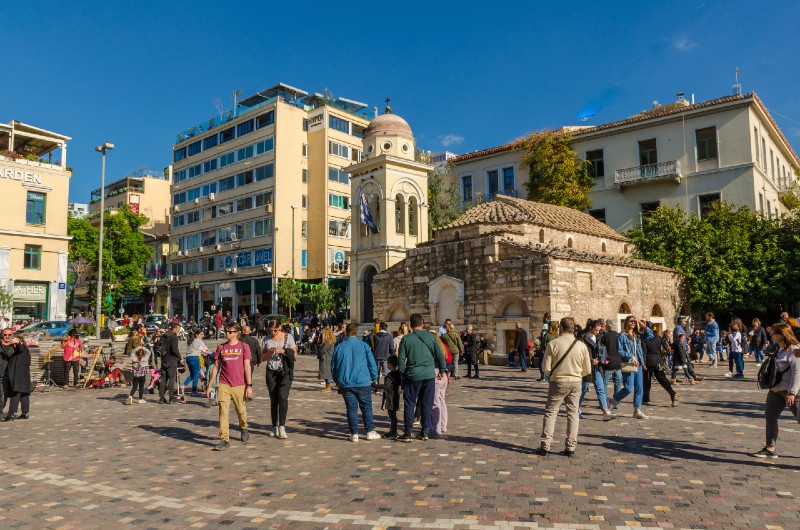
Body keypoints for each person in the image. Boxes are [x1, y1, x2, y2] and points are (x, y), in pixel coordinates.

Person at [537, 317, 591, 457]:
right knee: (573, 414)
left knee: (551, 412)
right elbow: (587, 370)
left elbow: (545, 368)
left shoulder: (553, 343)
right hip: (575, 382)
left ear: (561, 328)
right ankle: (570, 447)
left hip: (558, 381)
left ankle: (545, 445)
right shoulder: (581, 346)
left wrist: (553, 374)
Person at [397, 313, 448, 442]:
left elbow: (401, 359)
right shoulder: (431, 337)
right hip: (429, 375)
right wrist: (442, 370)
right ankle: (424, 431)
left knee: (409, 404)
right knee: (427, 404)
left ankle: (407, 433)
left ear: (410, 325)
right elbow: (440, 355)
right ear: (422, 324)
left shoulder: (406, 339)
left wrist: (403, 373)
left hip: (412, 375)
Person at [752, 322, 800, 459]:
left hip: (792, 392)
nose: (771, 335)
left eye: (775, 333)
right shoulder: (780, 348)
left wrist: (792, 392)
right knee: (770, 417)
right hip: (775, 391)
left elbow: (798, 373)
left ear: (783, 334)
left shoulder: (794, 350)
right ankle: (770, 448)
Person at [206, 323, 252, 451]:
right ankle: (224, 439)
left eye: (230, 331)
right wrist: (210, 386)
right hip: (224, 383)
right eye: (226, 331)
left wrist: (249, 385)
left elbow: (247, 367)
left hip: (240, 384)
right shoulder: (221, 347)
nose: (227, 333)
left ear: (236, 333)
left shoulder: (244, 347)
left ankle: (243, 427)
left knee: (241, 411)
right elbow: (216, 367)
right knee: (223, 412)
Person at [331, 323, 381, 442]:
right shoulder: (363, 345)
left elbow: (333, 366)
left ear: (346, 332)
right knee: (366, 407)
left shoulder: (339, 347)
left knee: (351, 408)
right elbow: (371, 363)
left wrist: (337, 380)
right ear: (357, 332)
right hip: (362, 381)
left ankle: (354, 433)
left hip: (346, 382)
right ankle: (369, 431)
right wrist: (374, 377)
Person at [608, 315, 652, 420]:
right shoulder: (622, 335)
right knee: (628, 388)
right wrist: (631, 356)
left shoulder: (638, 335)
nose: (633, 323)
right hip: (629, 364)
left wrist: (643, 325)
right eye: (631, 321)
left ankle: (637, 410)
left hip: (639, 365)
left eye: (634, 321)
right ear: (626, 322)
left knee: (639, 388)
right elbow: (620, 350)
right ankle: (612, 401)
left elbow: (650, 335)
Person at [263, 319, 296, 439]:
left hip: (285, 371)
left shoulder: (288, 337)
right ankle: (274, 426)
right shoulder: (266, 339)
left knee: (282, 397)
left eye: (275, 330)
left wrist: (283, 351)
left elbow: (295, 354)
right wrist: (269, 354)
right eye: (270, 330)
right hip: (271, 371)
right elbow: (262, 357)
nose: (273, 332)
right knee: (274, 399)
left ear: (280, 328)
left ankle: (282, 426)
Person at [642, 323, 678, 407]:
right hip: (658, 361)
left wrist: (643, 363)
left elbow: (644, 352)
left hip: (648, 362)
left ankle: (646, 398)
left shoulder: (645, 339)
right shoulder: (659, 337)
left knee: (647, 381)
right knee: (663, 379)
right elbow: (667, 347)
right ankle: (672, 394)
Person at [1, 329, 32, 421]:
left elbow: (19, 347)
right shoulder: (23, 350)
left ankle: (11, 414)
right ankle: (25, 413)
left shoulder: (21, 348)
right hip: (24, 374)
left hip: (18, 374)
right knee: (24, 394)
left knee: (15, 393)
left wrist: (17, 342)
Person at [373, 354, 402, 439]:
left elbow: (386, 386)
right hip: (395, 396)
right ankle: (393, 431)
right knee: (393, 415)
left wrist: (375, 386)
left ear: (390, 364)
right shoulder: (397, 374)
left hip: (390, 397)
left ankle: (393, 432)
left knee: (392, 415)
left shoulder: (390, 375)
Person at [430, 331, 450, 437]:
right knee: (442, 401)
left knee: (435, 402)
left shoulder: (433, 347)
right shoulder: (442, 346)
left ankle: (435, 428)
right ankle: (443, 425)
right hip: (444, 375)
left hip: (436, 373)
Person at [158, 322, 182, 404]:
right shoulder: (174, 337)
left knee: (163, 379)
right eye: (178, 329)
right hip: (172, 360)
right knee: (171, 379)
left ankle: (161, 398)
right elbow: (174, 349)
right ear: (174, 328)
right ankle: (171, 398)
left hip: (164, 359)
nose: (179, 330)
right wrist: (180, 357)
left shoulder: (164, 335)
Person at [239, 325, 261, 400]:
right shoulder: (254, 340)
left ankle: (242, 392)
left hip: (241, 360)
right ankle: (247, 393)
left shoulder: (239, 340)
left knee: (242, 377)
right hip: (251, 361)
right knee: (249, 376)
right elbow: (258, 351)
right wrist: (259, 361)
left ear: (243, 331)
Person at [183, 329, 208, 397]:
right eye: (201, 334)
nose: (202, 336)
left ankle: (183, 386)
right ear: (197, 335)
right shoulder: (199, 340)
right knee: (196, 375)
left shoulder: (191, 341)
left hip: (188, 358)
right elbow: (205, 350)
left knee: (192, 374)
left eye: (203, 334)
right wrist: (212, 354)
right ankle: (194, 391)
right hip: (195, 358)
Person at [371, 321, 395, 386]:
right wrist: (393, 355)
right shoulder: (389, 336)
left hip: (377, 356)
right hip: (386, 357)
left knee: (377, 373)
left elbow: (374, 346)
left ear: (380, 327)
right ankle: (386, 388)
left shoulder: (375, 336)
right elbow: (391, 348)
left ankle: (376, 387)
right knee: (386, 373)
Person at [318, 328, 335, 392]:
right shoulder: (329, 341)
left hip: (326, 359)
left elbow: (323, 350)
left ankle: (328, 387)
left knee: (326, 372)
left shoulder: (327, 342)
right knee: (326, 372)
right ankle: (327, 386)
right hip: (327, 358)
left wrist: (320, 347)